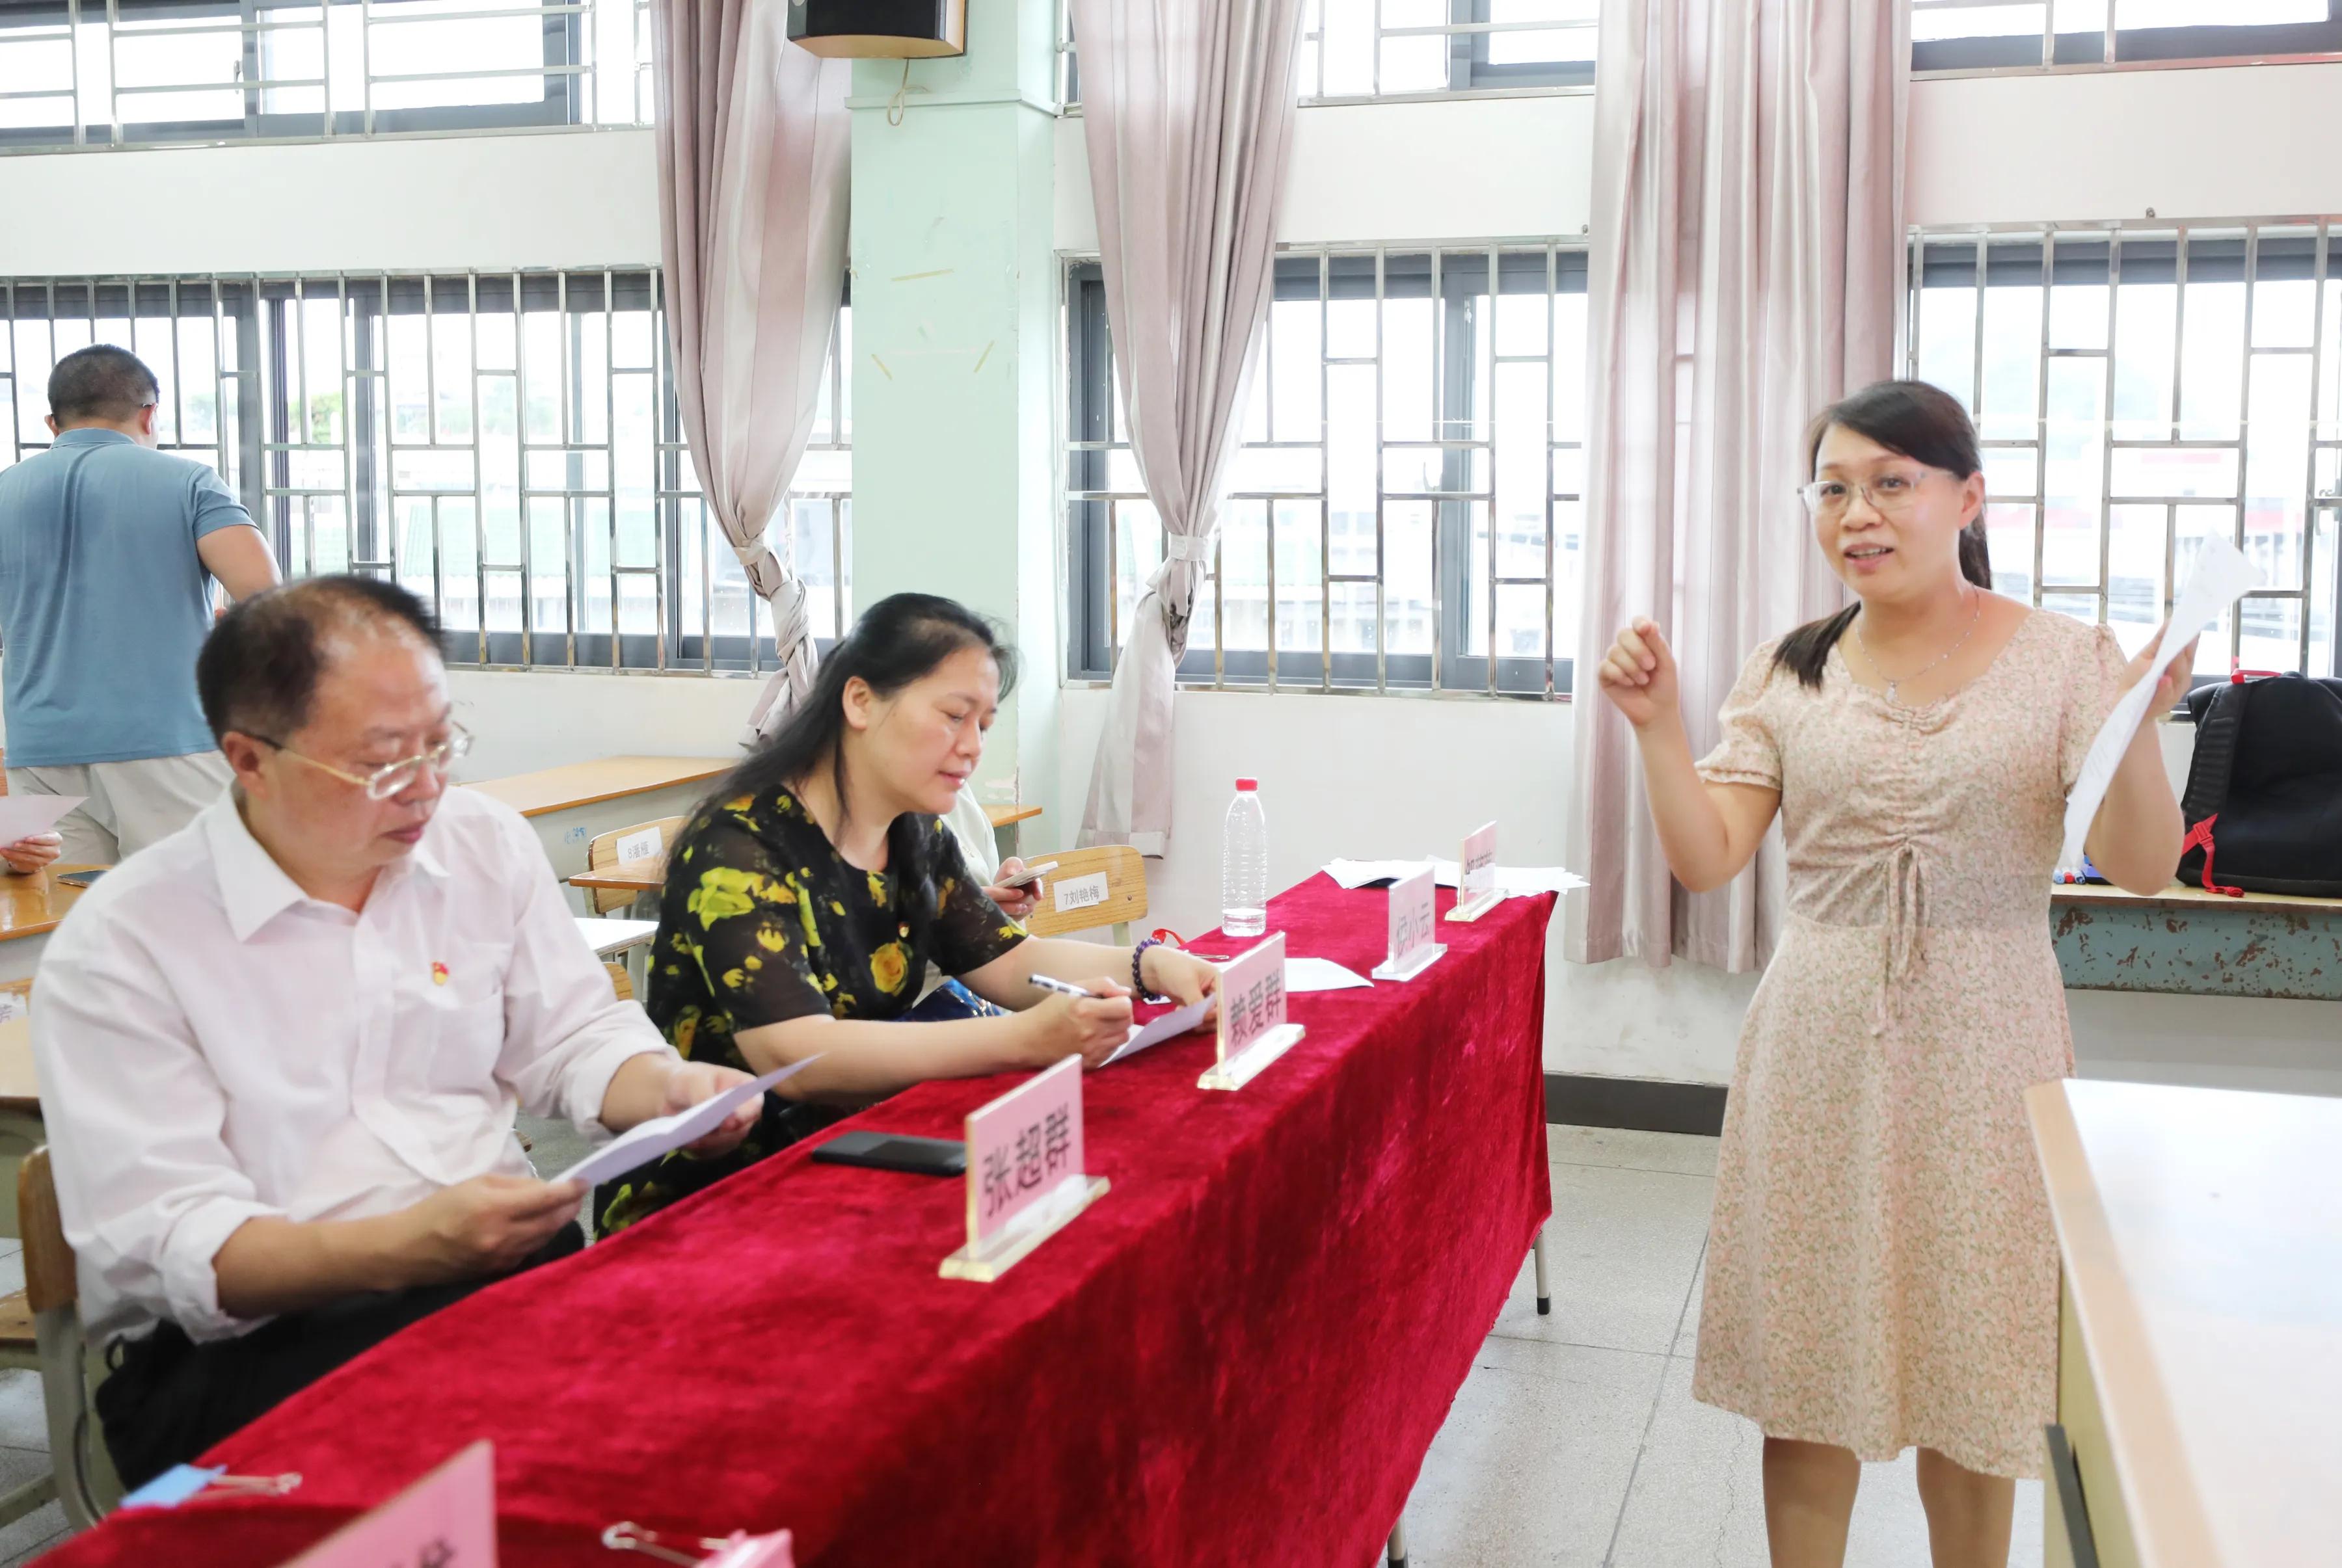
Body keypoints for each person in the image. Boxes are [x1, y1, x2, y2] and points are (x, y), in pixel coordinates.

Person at [1593, 381, 2192, 1568]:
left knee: (1977, 1376)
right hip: (1817, 1039)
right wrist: (1657, 727)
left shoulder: (2070, 658)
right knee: (1808, 1378)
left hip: (1992, 1047)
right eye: (1832, 488)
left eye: (1890, 483)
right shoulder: (1788, 667)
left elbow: (2143, 870)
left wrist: (2134, 731)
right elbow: (1709, 859)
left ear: (1968, 497)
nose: (1855, 513)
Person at [31, 576, 762, 1489]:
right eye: (382, 762)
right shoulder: (129, 942)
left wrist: (669, 1087)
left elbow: (570, 1034)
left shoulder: (481, 843)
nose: (426, 788)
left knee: (735, 1402)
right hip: (245, 1351)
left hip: (494, 1271)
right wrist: (414, 1243)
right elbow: (183, 1247)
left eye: (441, 742)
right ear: (249, 759)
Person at [597, 592, 1220, 1232]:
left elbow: (1008, 958)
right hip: (717, 1195)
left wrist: (1151, 964)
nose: (973, 746)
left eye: (985, 724)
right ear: (860, 700)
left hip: (863, 1153)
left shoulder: (912, 830)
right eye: (955, 716)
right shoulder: (738, 849)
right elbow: (798, 1054)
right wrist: (1023, 1039)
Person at [0, 345, 282, 865]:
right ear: (150, 413)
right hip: (165, 742)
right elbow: (270, 601)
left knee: (78, 924)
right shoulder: (188, 482)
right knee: (195, 914)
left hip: (38, 751)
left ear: (52, 423)